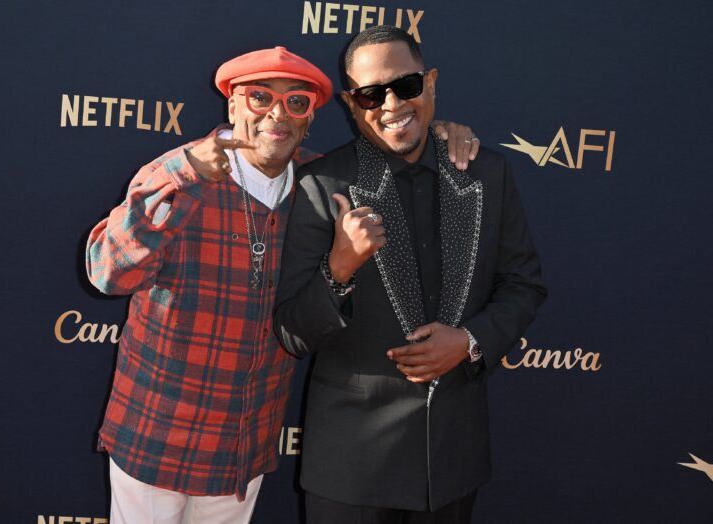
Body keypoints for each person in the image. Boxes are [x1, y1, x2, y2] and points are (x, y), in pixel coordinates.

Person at [86, 45, 479, 524]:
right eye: (259, 97)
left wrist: (443, 136)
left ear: (310, 118)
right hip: (157, 434)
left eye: (296, 102)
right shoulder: (178, 173)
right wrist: (181, 174)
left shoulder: (320, 184)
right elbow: (108, 274)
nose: (278, 113)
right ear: (232, 105)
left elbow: (403, 150)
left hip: (243, 447)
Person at [273, 26, 547, 523]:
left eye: (407, 85)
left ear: (431, 83)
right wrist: (339, 269)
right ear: (352, 103)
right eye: (372, 93)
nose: (392, 103)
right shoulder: (323, 184)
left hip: (451, 460)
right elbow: (293, 332)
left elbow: (523, 284)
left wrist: (469, 341)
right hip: (350, 468)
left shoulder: (486, 174)